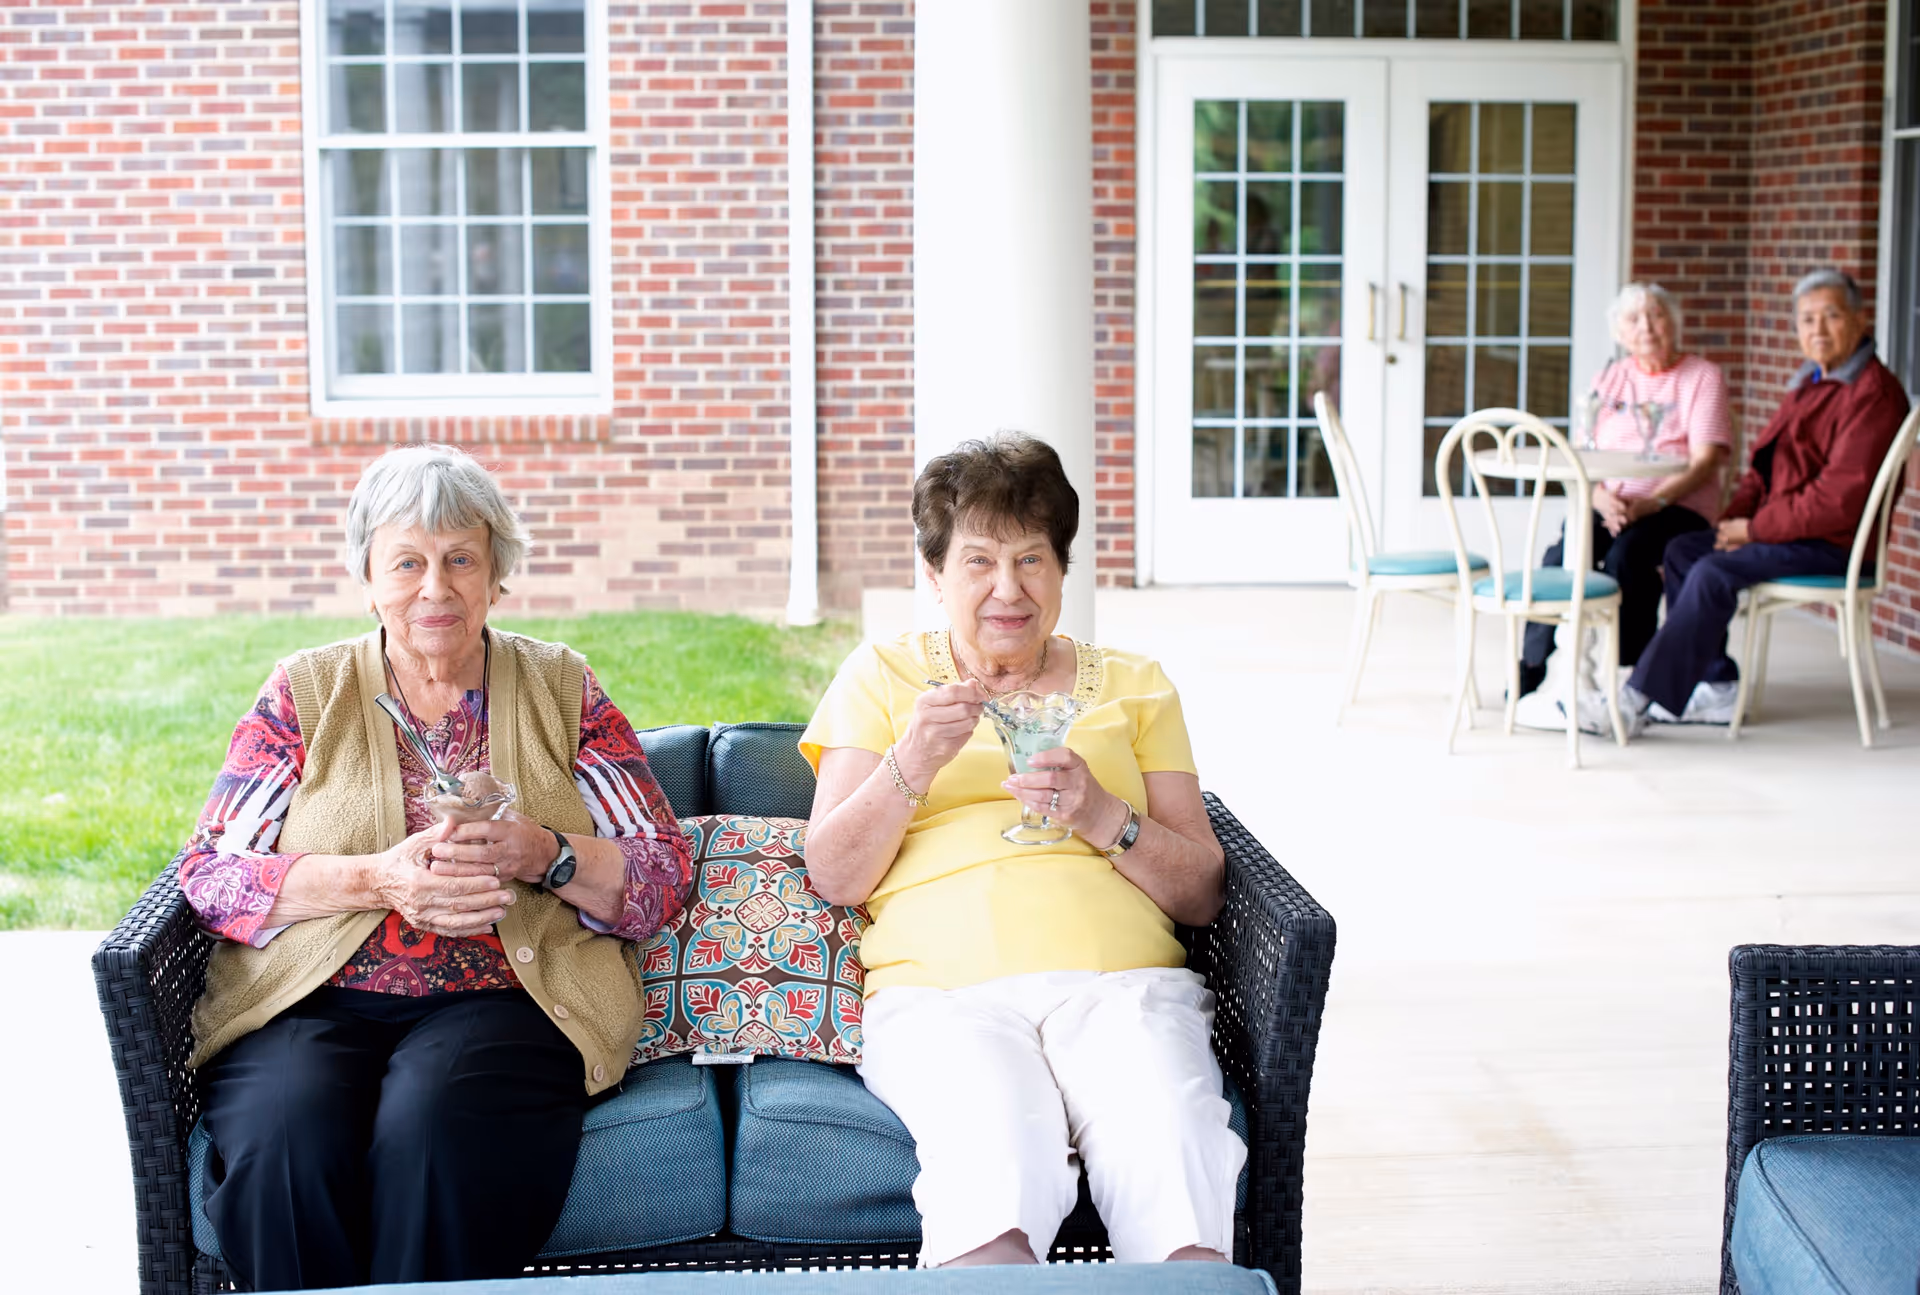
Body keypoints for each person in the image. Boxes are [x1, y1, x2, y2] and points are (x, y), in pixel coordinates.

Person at [178, 443, 694, 1291]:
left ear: (498, 574)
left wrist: (547, 853)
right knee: (286, 1137)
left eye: (461, 559)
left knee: (434, 1126)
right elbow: (210, 874)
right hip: (312, 999)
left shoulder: (562, 686)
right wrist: (376, 878)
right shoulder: (304, 691)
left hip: (504, 1000)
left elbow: (661, 871)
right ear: (368, 575)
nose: (435, 587)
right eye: (408, 561)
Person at [800, 434, 1243, 1269]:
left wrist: (1107, 816)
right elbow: (834, 870)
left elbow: (1205, 891)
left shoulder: (1137, 684)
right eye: (979, 561)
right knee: (994, 1165)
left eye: (1032, 559)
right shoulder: (881, 676)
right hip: (944, 996)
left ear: (1063, 571)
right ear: (933, 575)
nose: (1009, 589)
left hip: (1124, 987)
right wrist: (911, 764)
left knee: (1172, 1147)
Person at [1574, 270, 1912, 740]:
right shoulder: (1813, 382)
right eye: (1807, 319)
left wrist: (1753, 531)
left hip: (1833, 543)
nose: (1817, 329)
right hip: (1791, 530)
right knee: (1685, 550)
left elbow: (1838, 501)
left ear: (1859, 320)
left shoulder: (1871, 394)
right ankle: (1716, 686)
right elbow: (1763, 469)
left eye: (1831, 316)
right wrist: (1735, 518)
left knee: (1713, 571)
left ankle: (1635, 699)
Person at [1513, 284, 1730, 727]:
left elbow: (1707, 460)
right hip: (1613, 502)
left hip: (1675, 505)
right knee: (1561, 556)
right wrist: (1599, 497)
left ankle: (1628, 676)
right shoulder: (1611, 378)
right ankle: (1534, 671)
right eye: (1634, 320)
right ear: (1620, 332)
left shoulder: (1701, 377)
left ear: (1674, 323)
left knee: (1627, 556)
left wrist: (1653, 502)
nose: (1646, 328)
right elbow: (1582, 454)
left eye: (1656, 316)